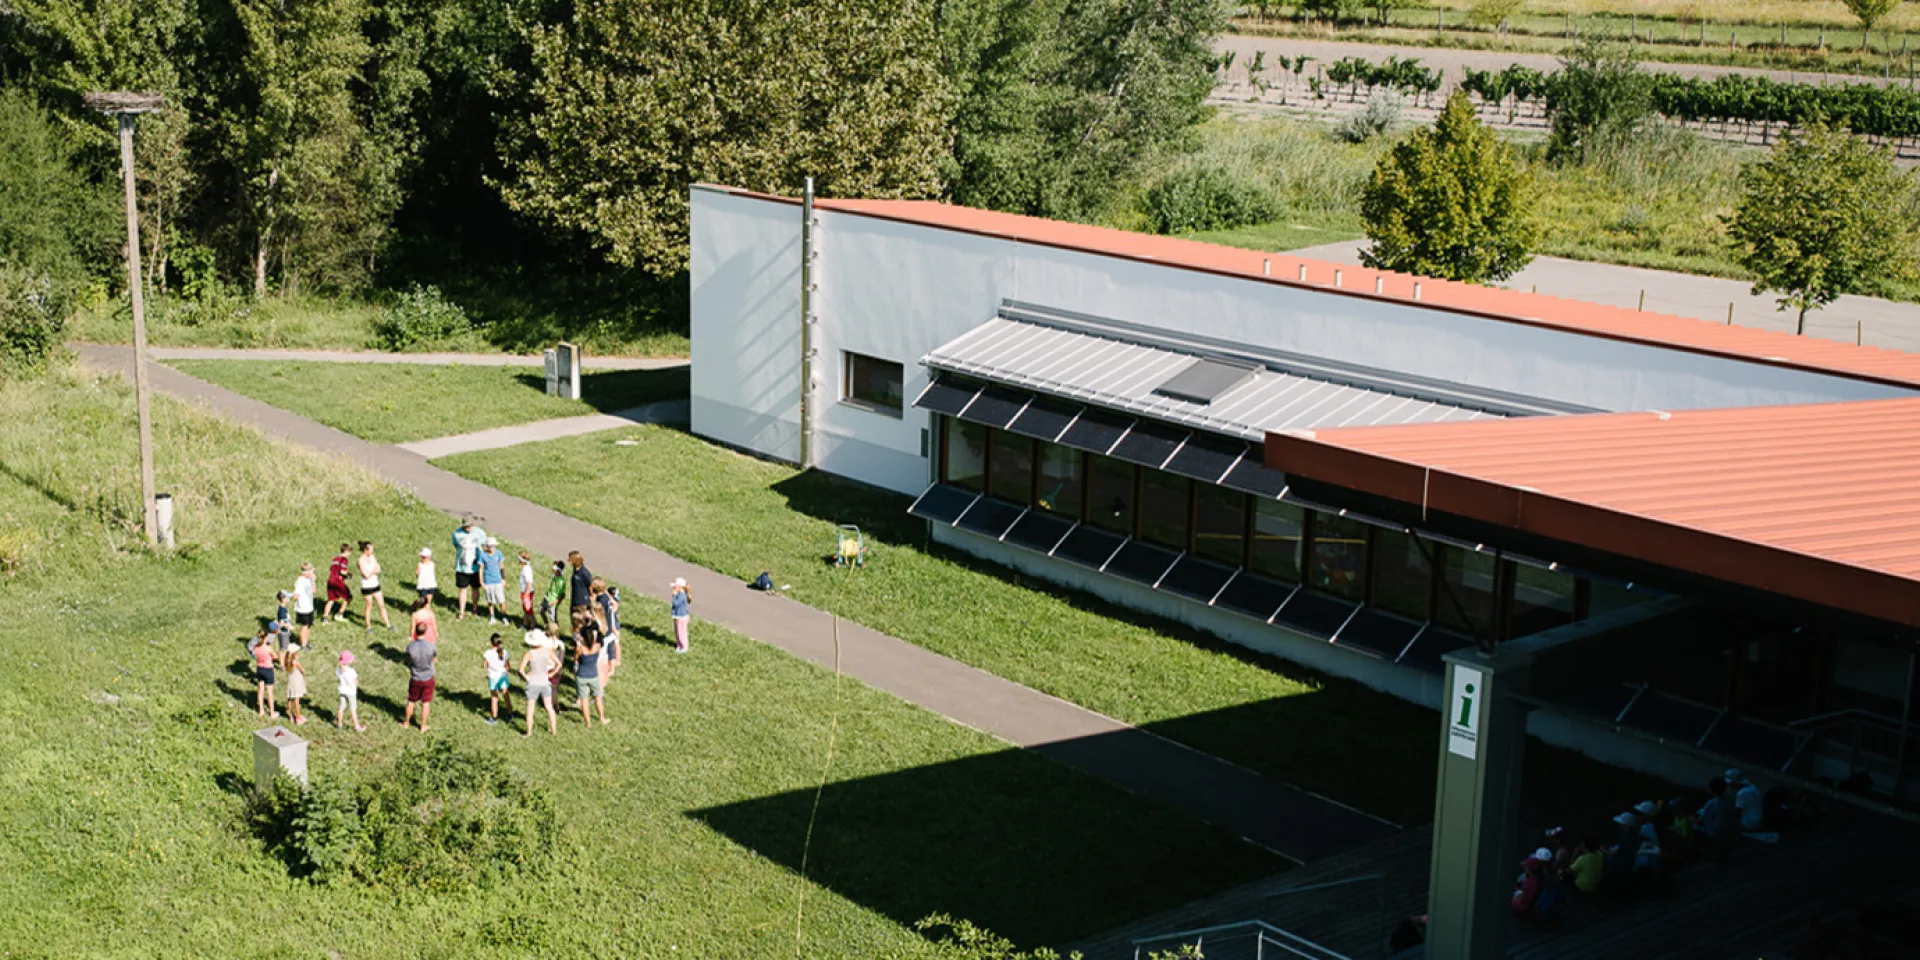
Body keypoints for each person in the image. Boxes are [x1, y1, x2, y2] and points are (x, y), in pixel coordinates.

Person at [519, 630, 560, 736]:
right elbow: (558, 664)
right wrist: (552, 674)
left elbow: (520, 670)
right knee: (549, 707)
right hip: (545, 681)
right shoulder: (548, 651)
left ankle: (529, 732)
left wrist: (526, 677)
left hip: (533, 683)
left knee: (530, 709)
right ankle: (554, 730)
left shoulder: (529, 654)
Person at [402, 621, 437, 732]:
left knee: (411, 700)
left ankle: (406, 722)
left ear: (415, 632)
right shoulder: (431, 646)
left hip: (416, 677)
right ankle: (423, 726)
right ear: (425, 632)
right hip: (428, 677)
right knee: (426, 703)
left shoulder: (410, 646)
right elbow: (434, 659)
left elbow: (409, 658)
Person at [1728, 769, 1779, 843]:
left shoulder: (1742, 793)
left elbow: (1736, 812)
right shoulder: (1752, 787)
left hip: (1750, 824)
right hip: (1758, 820)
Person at [574, 620, 609, 727]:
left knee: (584, 700)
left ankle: (588, 723)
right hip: (593, 675)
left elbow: (576, 659)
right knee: (598, 697)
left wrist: (578, 643)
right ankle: (602, 718)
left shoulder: (580, 649)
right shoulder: (597, 646)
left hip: (581, 675)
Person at [452, 517, 487, 620]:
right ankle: (461, 611)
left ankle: (475, 609)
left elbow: (484, 546)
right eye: (466, 526)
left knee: (475, 588)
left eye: (470, 526)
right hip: (462, 566)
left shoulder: (479, 533)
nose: (468, 528)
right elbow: (455, 545)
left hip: (475, 567)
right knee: (462, 589)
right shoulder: (457, 534)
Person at [358, 541, 392, 633]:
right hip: (366, 586)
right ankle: (368, 626)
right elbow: (366, 575)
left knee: (381, 604)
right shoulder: (361, 560)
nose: (372, 551)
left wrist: (373, 571)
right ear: (366, 550)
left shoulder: (372, 557)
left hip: (375, 584)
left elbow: (379, 568)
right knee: (369, 605)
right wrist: (374, 571)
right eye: (371, 549)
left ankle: (388, 624)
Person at [590, 578, 621, 681]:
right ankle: (611, 668)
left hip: (604, 630)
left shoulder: (600, 602)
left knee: (603, 653)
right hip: (610, 629)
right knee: (610, 650)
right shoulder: (607, 597)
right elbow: (614, 606)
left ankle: (602, 673)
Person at [483, 633, 512, 725]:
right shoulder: (505, 653)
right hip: (503, 677)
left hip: (493, 677)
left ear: (491, 643)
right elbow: (508, 667)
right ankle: (510, 714)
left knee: (494, 698)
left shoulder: (488, 653)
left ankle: (494, 717)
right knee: (506, 696)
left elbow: (484, 665)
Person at [478, 537, 507, 625]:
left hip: (497, 581)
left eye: (493, 546)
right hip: (488, 581)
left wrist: (503, 578)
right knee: (490, 601)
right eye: (490, 546)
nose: (491, 548)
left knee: (501, 600)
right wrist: (481, 582)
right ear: (487, 546)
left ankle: (504, 616)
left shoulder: (498, 554)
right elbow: (481, 569)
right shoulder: (483, 555)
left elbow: (501, 566)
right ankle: (492, 616)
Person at [250, 627, 278, 718]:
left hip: (259, 669)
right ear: (266, 637)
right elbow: (275, 657)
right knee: (269, 692)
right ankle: (272, 712)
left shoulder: (255, 647)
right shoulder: (268, 648)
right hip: (268, 669)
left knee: (260, 691)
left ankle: (261, 710)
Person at [335, 649, 366, 732]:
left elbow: (338, 679)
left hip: (342, 691)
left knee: (341, 708)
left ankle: (339, 724)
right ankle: (356, 726)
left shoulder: (338, 669)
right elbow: (355, 681)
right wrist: (356, 685)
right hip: (351, 692)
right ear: (349, 662)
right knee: (353, 709)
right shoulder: (351, 671)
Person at [324, 544, 353, 623]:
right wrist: (348, 574)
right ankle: (339, 615)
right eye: (349, 552)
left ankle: (325, 619)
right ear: (346, 551)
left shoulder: (335, 559)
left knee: (331, 600)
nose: (349, 555)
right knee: (349, 597)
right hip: (337, 581)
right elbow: (342, 571)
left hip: (330, 580)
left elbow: (333, 569)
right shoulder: (344, 559)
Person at [291, 562, 317, 652]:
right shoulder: (300, 581)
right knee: (304, 626)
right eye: (312, 571)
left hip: (309, 606)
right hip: (303, 608)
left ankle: (305, 641)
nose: (313, 573)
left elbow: (313, 590)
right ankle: (303, 645)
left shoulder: (308, 579)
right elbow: (295, 595)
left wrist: (313, 580)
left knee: (309, 625)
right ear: (306, 571)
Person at [568, 552, 594, 639]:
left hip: (582, 603)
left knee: (580, 623)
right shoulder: (575, 570)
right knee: (574, 621)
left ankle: (581, 640)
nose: (568, 561)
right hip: (575, 600)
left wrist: (591, 598)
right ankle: (575, 639)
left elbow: (590, 586)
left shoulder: (584, 573)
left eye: (570, 559)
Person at [284, 643, 308, 726]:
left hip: (290, 681)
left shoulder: (287, 661)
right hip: (297, 682)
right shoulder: (296, 663)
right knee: (297, 700)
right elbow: (303, 671)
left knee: (290, 698)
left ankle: (291, 716)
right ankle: (298, 717)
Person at [539, 559, 567, 633]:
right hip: (547, 597)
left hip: (552, 602)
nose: (552, 568)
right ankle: (546, 625)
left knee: (553, 619)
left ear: (557, 570)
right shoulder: (554, 576)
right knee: (541, 610)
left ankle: (556, 632)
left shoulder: (561, 581)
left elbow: (562, 595)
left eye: (553, 567)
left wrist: (555, 603)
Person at [668, 577, 692, 654]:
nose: (674, 588)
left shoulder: (682, 595)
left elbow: (675, 603)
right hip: (677, 616)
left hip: (682, 617)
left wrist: (674, 595)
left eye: (675, 587)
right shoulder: (680, 594)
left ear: (680, 587)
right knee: (677, 632)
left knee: (682, 632)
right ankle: (679, 645)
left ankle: (684, 647)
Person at [517, 552, 536, 629]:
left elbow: (529, 582)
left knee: (529, 611)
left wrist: (526, 594)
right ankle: (525, 624)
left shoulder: (526, 570)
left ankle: (532, 627)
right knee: (525, 609)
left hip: (527, 593)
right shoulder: (525, 568)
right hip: (525, 592)